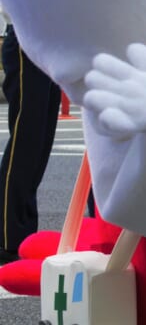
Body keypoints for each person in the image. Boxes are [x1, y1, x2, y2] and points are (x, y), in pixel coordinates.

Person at [0, 22, 63, 264]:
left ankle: (22, 235)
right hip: (28, 38)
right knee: (25, 143)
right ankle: (7, 238)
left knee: (40, 145)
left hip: (51, 45)